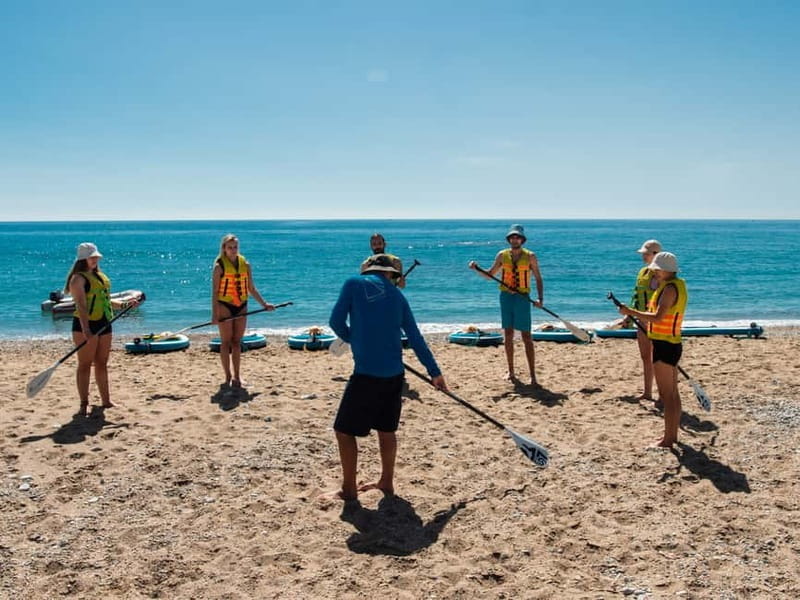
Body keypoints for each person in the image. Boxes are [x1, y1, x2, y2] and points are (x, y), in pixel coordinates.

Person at [328, 254, 446, 502]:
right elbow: (415, 338)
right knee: (386, 429)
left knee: (343, 431)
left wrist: (353, 338)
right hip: (395, 375)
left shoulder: (352, 283)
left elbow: (336, 321)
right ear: (391, 274)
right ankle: (386, 482)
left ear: (368, 270)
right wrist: (434, 373)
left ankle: (349, 490)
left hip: (366, 374)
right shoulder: (398, 296)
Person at [617, 251, 687, 448]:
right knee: (672, 394)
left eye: (657, 270)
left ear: (666, 270)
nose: (654, 272)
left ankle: (668, 439)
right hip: (669, 343)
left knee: (668, 395)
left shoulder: (670, 289)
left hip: (666, 345)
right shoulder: (674, 285)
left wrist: (630, 312)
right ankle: (672, 436)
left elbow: (657, 317)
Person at [65, 242, 140, 416]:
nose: (95, 260)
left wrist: (126, 304)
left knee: (102, 363)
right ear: (83, 259)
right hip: (85, 325)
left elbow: (106, 299)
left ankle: (106, 401)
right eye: (92, 257)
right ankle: (84, 403)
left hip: (104, 322)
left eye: (96, 257)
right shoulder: (78, 279)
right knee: (84, 364)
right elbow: (81, 306)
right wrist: (86, 331)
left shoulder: (99, 277)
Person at [469, 224, 544, 385]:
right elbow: (490, 275)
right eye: (512, 237)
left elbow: (538, 278)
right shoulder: (502, 256)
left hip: (523, 298)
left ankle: (533, 376)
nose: (514, 239)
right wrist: (476, 269)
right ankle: (511, 372)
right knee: (508, 335)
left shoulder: (531, 256)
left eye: (517, 237)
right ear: (509, 239)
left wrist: (540, 299)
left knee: (526, 337)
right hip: (506, 297)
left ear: (522, 239)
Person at [211, 234, 274, 388]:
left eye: (235, 247)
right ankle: (227, 376)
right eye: (230, 247)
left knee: (237, 342)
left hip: (241, 305)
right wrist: (215, 314)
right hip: (225, 305)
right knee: (225, 342)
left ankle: (237, 377)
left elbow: (251, 288)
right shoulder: (219, 266)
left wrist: (264, 304)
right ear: (224, 249)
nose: (233, 250)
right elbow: (215, 292)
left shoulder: (245, 264)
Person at [631, 239, 662, 402]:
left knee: (658, 359)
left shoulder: (661, 274)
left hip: (655, 322)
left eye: (646, 253)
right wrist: (628, 315)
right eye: (643, 253)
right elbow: (636, 296)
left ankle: (662, 394)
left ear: (656, 254)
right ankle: (647, 392)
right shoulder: (642, 272)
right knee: (645, 357)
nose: (643, 256)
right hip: (640, 319)